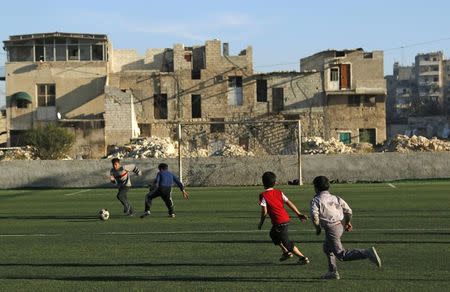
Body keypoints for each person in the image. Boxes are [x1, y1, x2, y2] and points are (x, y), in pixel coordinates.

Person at [310, 175, 382, 280]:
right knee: (327, 248)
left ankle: (367, 253)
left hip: (331, 228)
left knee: (341, 255)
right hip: (339, 225)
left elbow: (314, 215)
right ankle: (332, 272)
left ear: (315, 188)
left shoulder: (316, 200)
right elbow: (348, 211)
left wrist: (317, 228)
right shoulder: (336, 198)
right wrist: (347, 223)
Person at [257, 171, 310, 264]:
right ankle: (286, 252)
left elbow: (264, 211)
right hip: (285, 218)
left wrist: (261, 222)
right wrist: (298, 213)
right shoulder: (279, 192)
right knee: (273, 234)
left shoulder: (263, 195)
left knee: (287, 242)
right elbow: (289, 203)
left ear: (263, 182)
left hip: (279, 222)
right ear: (275, 182)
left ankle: (302, 258)